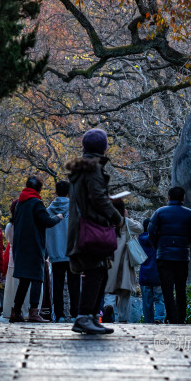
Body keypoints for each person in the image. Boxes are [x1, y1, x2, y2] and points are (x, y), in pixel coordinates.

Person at [66, 127, 123, 335]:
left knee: (99, 271)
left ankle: (89, 317)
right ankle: (84, 317)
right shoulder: (93, 168)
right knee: (96, 271)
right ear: (104, 147)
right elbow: (97, 198)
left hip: (82, 227)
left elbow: (90, 196)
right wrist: (116, 217)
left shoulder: (81, 168)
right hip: (91, 227)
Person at [10, 175, 63, 323]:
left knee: (24, 280)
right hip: (33, 246)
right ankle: (34, 313)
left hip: (20, 246)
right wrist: (58, 217)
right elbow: (47, 221)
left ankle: (16, 311)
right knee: (37, 279)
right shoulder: (36, 203)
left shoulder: (20, 203)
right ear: (38, 189)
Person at [148, 186, 191, 324]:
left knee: (167, 289)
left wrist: (159, 246)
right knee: (180, 287)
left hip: (164, 255)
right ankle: (181, 317)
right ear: (183, 198)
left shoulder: (159, 212)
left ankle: (172, 317)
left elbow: (151, 232)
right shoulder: (190, 214)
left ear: (169, 197)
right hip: (182, 256)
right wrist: (185, 242)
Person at [103, 198, 143, 323]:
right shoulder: (126, 222)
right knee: (124, 292)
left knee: (109, 290)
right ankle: (123, 318)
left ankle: (108, 307)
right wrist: (127, 216)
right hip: (125, 262)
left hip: (109, 260)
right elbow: (140, 228)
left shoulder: (106, 221)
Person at [46, 180, 81, 322]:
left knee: (57, 285)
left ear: (55, 192)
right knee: (75, 285)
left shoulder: (48, 211)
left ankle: (59, 314)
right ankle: (74, 314)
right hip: (72, 252)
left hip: (55, 252)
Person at [138, 218, 165, 324]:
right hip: (158, 274)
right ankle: (159, 318)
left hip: (145, 275)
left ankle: (148, 322)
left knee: (147, 302)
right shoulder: (159, 241)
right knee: (159, 299)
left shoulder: (140, 240)